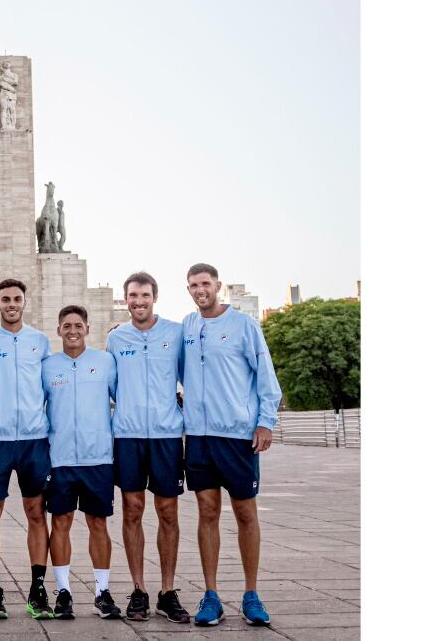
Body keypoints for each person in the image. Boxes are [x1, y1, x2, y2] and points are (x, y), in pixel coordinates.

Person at [179, 263, 283, 627]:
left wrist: (266, 421)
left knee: (245, 512)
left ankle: (251, 594)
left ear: (217, 285)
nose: (200, 290)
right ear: (188, 289)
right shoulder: (187, 327)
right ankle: (211, 595)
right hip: (199, 436)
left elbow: (265, 376)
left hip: (237, 435)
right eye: (193, 285)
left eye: (205, 283)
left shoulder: (243, 325)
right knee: (207, 512)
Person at [106, 271, 189, 622]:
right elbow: (111, 387)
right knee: (133, 509)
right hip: (128, 436)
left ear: (155, 297)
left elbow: (190, 378)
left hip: (166, 436)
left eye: (144, 295)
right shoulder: (115, 338)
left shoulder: (175, 333)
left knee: (168, 512)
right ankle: (139, 589)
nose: (138, 302)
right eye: (133, 296)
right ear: (126, 299)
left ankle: (167, 592)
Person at [0, 279, 54, 620]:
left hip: (34, 440)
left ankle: (38, 588)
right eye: (5, 299)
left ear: (24, 302)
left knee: (36, 512)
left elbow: (50, 388)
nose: (11, 304)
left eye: (16, 299)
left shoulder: (40, 341)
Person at [40, 306, 122, 621]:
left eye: (78, 325)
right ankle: (63, 592)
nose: (72, 331)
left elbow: (123, 398)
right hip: (59, 459)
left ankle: (103, 592)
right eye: (66, 326)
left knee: (97, 523)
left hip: (97, 457)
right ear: (58, 330)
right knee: (60, 522)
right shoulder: (48, 366)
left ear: (87, 328)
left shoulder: (105, 362)